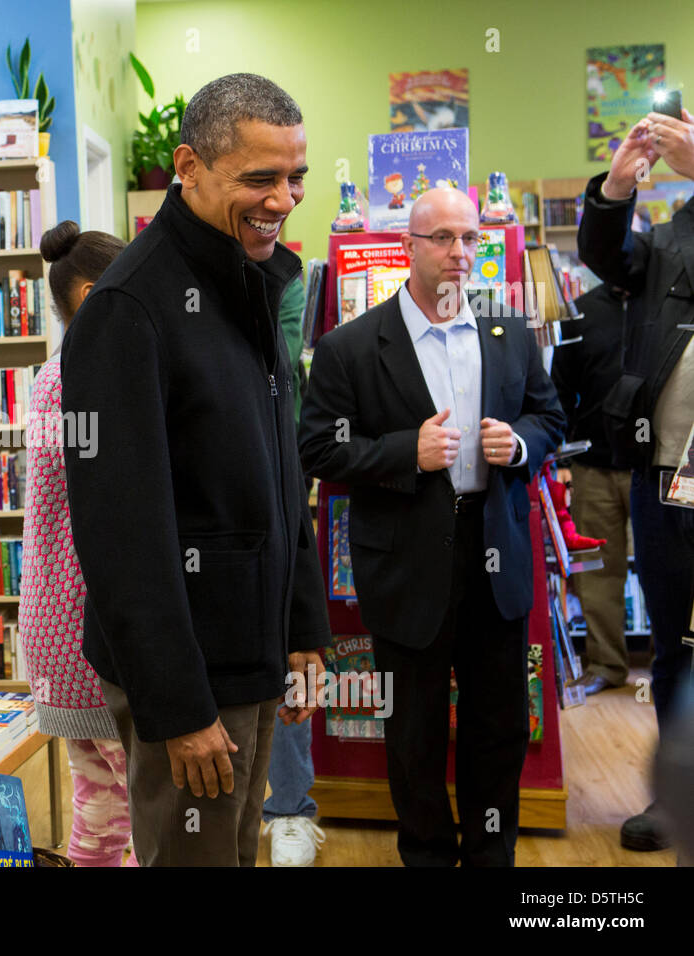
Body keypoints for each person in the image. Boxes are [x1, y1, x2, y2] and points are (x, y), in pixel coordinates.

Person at [61, 73, 331, 867]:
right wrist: (178, 707)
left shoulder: (246, 282)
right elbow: (118, 535)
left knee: (238, 853)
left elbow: (282, 470)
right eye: (259, 178)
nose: (282, 199)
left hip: (251, 647)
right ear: (188, 166)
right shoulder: (128, 310)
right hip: (191, 678)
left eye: (295, 178)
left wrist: (303, 621)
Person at [299, 187, 566, 866]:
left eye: (469, 238)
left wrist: (523, 442)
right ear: (408, 247)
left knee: (497, 727)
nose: (458, 252)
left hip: (494, 549)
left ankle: (488, 857)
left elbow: (552, 419)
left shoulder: (507, 330)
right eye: (443, 238)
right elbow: (320, 449)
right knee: (413, 734)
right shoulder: (349, 347)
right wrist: (402, 453)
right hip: (407, 560)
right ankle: (425, 857)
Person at [577, 105, 694, 852]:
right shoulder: (677, 229)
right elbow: (607, 258)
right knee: (677, 643)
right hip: (666, 478)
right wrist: (616, 191)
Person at [19, 219, 134, 867]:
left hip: (60, 627)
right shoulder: (87, 381)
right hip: (87, 630)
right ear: (93, 295)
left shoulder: (55, 376)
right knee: (140, 811)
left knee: (100, 806)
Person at [262, 272, 328, 867]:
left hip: (280, 474)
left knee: (291, 647)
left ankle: (288, 808)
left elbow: (282, 363)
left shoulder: (285, 278)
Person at [549, 284, 633, 695]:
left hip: (660, 466)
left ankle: (678, 666)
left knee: (675, 570)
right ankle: (606, 664)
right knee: (597, 570)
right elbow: (559, 390)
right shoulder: (577, 312)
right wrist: (561, 460)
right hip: (593, 465)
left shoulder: (670, 300)